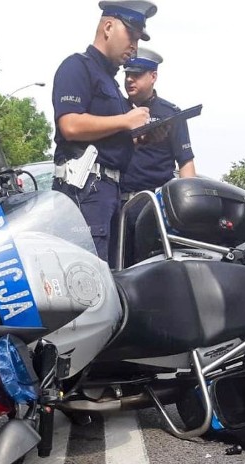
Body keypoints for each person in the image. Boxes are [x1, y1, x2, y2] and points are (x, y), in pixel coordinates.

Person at [51, 0, 157, 266]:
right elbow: (71, 125)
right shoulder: (78, 66)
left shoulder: (111, 82)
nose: (133, 46)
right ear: (108, 26)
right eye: (131, 35)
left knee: (106, 279)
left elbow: (111, 133)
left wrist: (140, 135)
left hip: (108, 193)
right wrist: (125, 120)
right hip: (84, 189)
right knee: (87, 279)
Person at [118, 47, 196, 264]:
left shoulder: (170, 114)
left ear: (153, 77)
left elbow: (186, 163)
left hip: (153, 207)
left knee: (151, 268)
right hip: (117, 204)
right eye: (127, 74)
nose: (130, 80)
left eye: (137, 74)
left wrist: (187, 209)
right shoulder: (116, 110)